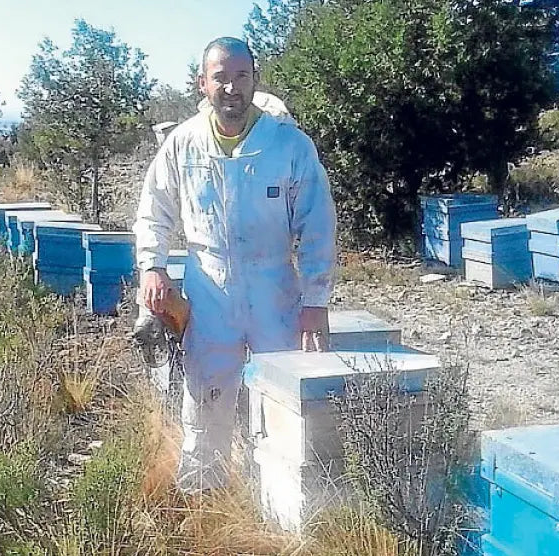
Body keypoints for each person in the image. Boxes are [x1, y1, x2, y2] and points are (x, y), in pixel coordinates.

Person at [132, 37, 337, 492]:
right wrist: (153, 266)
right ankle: (204, 496)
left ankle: (281, 508)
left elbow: (318, 225)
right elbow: (154, 212)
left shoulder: (289, 145)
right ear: (202, 83)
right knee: (205, 396)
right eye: (220, 77)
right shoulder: (183, 145)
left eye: (241, 76)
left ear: (254, 80)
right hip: (209, 288)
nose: (231, 87)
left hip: (275, 290)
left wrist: (316, 300)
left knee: (285, 397)